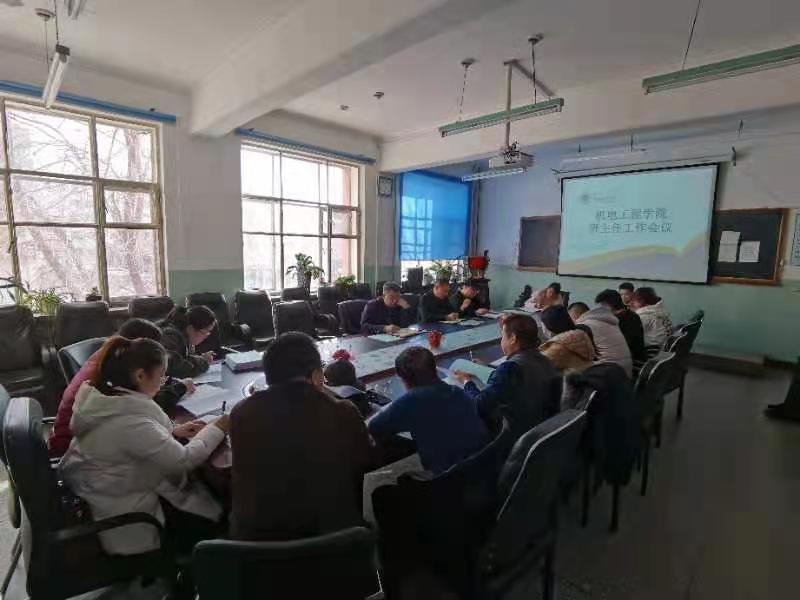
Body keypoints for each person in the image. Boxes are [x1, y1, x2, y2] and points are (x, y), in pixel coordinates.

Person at [59, 337, 228, 556]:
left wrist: (171, 431)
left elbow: (131, 439)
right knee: (221, 509)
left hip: (110, 496)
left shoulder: (105, 399)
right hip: (132, 521)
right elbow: (184, 460)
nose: (163, 382)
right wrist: (220, 426)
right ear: (140, 375)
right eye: (161, 375)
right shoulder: (129, 423)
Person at [229, 332, 373, 541]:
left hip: (257, 547)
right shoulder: (342, 411)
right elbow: (365, 462)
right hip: (335, 541)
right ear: (316, 374)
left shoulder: (241, 413)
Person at [48, 318, 196, 457]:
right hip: (74, 448)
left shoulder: (108, 359)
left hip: (86, 440)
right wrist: (179, 388)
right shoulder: (109, 374)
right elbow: (145, 405)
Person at [368, 347, 489, 475]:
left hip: (452, 479)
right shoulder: (457, 391)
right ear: (435, 370)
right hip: (485, 466)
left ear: (403, 380)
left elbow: (374, 427)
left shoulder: (410, 402)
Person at [454, 314, 560, 438]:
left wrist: (466, 382)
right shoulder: (544, 359)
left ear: (513, 338)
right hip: (543, 427)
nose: (501, 341)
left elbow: (479, 406)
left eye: (503, 336)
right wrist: (488, 367)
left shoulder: (510, 368)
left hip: (514, 434)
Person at [574, 302, 633, 376]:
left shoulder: (584, 326)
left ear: (574, 315)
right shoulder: (609, 322)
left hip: (608, 377)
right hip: (626, 374)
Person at [160, 306, 217, 378]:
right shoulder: (170, 336)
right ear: (191, 328)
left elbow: (183, 358)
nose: (206, 336)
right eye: (206, 332)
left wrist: (200, 358)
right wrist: (203, 362)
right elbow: (173, 367)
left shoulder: (183, 334)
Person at [595, 289, 647, 363]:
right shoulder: (631, 315)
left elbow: (619, 346)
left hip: (631, 362)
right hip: (631, 359)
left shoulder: (623, 320)